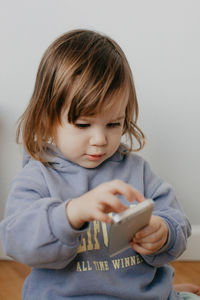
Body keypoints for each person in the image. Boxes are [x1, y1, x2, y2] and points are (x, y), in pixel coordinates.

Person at [0, 29, 199, 300]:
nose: (100, 139)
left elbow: (177, 222)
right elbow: (17, 240)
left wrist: (163, 233)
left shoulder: (137, 170)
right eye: (83, 124)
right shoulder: (39, 175)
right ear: (47, 118)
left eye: (114, 124)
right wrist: (73, 212)